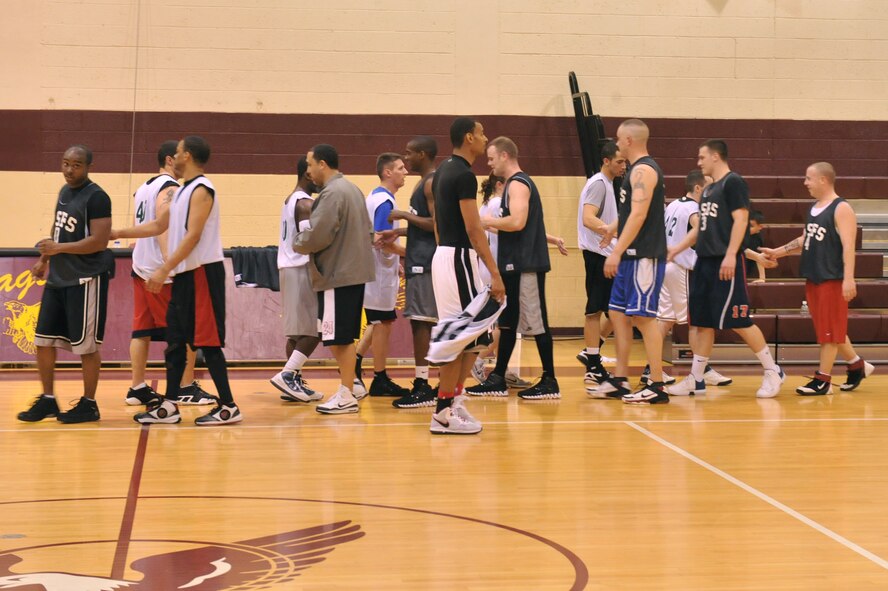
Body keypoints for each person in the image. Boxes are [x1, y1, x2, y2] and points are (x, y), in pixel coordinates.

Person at [113, 136, 243, 425]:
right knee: (175, 340)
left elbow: (193, 236)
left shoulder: (202, 190)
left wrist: (164, 268)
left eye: (180, 151)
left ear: (188, 156)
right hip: (184, 275)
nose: (176, 156)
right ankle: (170, 405)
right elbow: (159, 225)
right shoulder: (181, 191)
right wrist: (117, 232)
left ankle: (229, 405)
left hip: (202, 273)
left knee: (208, 342)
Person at [668, 139, 784, 398]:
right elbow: (701, 229)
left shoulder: (734, 183)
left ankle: (772, 370)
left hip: (725, 261)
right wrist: (676, 249)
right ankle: (696, 379)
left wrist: (732, 255)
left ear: (716, 157)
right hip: (704, 261)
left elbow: (741, 219)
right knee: (701, 323)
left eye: (702, 157)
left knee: (738, 320)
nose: (699, 162)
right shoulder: (709, 190)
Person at [17, 145, 114, 424]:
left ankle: (89, 404)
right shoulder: (63, 192)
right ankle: (48, 399)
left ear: (88, 167)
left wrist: (58, 249)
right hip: (58, 279)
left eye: (76, 165)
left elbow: (99, 241)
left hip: (85, 280)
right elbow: (56, 231)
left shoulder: (97, 197)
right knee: (42, 341)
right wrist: (44, 259)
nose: (69, 170)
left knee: (87, 347)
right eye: (65, 163)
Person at [760, 162, 874, 395]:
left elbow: (849, 246)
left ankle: (823, 380)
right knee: (830, 328)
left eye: (808, 178)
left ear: (823, 180)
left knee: (829, 333)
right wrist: (778, 251)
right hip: (814, 276)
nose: (805, 183)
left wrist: (849, 279)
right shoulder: (814, 207)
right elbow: (805, 240)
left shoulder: (842, 208)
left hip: (833, 277)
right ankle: (856, 365)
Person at [468, 136, 565, 400]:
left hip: (525, 264)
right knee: (508, 323)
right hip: (513, 263)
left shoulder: (519, 183)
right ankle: (498, 377)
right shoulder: (512, 185)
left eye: (491, 158)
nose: (489, 164)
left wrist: (488, 221)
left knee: (537, 323)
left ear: (504, 156)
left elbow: (519, 221)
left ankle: (549, 380)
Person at [428, 117, 505, 434]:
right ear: (469, 137)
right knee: (459, 338)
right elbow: (474, 230)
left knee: (473, 337)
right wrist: (495, 273)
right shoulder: (462, 175)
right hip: (458, 257)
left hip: (449, 255)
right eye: (482, 133)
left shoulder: (443, 170)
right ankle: (443, 413)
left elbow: (437, 224)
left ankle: (453, 402)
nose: (485, 138)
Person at [588, 119, 669, 404]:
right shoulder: (636, 171)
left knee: (644, 319)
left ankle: (657, 384)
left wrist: (616, 251)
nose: (617, 143)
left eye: (620, 139)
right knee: (619, 315)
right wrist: (612, 227)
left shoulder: (643, 170)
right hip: (632, 257)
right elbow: (630, 212)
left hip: (643, 256)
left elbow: (639, 214)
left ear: (630, 141)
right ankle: (620, 378)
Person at [125, 140, 211, 407]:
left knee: (141, 331)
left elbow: (142, 224)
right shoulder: (170, 187)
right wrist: (168, 266)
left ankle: (137, 387)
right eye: (178, 156)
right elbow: (163, 225)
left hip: (140, 267)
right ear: (170, 160)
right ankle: (185, 387)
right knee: (186, 331)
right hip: (159, 271)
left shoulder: (143, 187)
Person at [293, 144, 376, 414]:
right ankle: (348, 389)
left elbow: (318, 236)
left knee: (337, 338)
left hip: (336, 275)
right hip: (353, 274)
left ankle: (347, 393)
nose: (308, 170)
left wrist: (298, 242)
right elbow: (369, 232)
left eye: (310, 164)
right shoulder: (353, 189)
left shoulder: (330, 194)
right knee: (343, 338)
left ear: (323, 164)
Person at [645, 170, 732, 388]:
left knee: (665, 319)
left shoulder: (673, 204)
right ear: (698, 188)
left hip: (665, 266)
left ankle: (651, 368)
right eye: (709, 187)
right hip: (681, 267)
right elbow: (699, 229)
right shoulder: (695, 209)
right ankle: (702, 371)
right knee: (696, 322)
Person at [384, 136, 439, 409]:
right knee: (421, 322)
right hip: (421, 259)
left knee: (423, 322)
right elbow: (424, 224)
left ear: (423, 154)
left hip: (426, 262)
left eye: (409, 154)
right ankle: (428, 382)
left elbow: (436, 224)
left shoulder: (430, 182)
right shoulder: (425, 181)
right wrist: (400, 231)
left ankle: (423, 384)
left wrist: (404, 216)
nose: (406, 160)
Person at [268, 156, 324, 403]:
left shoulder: (289, 199)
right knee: (315, 329)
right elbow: (309, 241)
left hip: (287, 268)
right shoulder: (304, 203)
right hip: (300, 268)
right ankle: (288, 375)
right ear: (307, 174)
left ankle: (293, 383)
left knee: (296, 333)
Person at [470, 173, 532, 390]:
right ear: (500, 184)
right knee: (507, 322)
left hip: (489, 266)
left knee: (500, 320)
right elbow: (510, 228)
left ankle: (501, 368)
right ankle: (478, 360)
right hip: (498, 266)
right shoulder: (497, 203)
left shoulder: (485, 204)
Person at [361, 152, 411, 398]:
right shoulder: (385, 202)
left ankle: (357, 361)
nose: (406, 172)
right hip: (378, 274)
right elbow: (383, 240)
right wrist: (409, 254)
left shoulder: (374, 197)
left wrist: (396, 260)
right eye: (401, 168)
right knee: (383, 323)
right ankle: (379, 378)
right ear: (388, 172)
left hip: (378, 270)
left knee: (380, 320)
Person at [576, 141, 625, 386]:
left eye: (625, 161)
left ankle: (592, 354)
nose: (623, 166)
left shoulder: (607, 184)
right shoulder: (598, 184)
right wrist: (610, 232)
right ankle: (593, 364)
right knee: (597, 310)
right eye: (619, 161)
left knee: (615, 310)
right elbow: (588, 218)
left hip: (604, 254)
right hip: (598, 254)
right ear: (606, 161)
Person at [743, 210, 767, 282]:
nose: (747, 229)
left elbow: (760, 257)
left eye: (751, 226)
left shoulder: (757, 239)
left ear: (760, 227)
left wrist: (762, 278)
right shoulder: (740, 233)